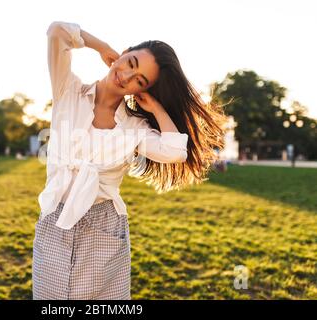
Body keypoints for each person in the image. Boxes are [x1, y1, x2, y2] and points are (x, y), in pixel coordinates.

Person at [32, 21, 226, 300]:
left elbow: (174, 151)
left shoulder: (134, 127)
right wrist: (103, 47)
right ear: (122, 54)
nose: (127, 76)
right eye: (130, 63)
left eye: (140, 80)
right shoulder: (68, 90)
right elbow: (57, 32)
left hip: (102, 225)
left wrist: (156, 107)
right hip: (54, 217)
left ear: (142, 90)